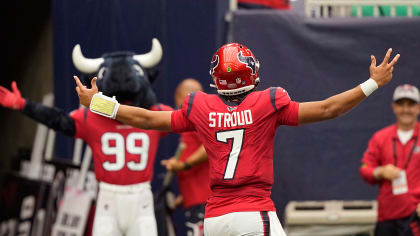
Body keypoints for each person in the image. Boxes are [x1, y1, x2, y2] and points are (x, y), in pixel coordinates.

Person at [74, 43, 399, 236]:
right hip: (254, 212)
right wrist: (372, 84)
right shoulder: (269, 103)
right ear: (252, 72)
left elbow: (145, 118)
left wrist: (98, 102)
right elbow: (329, 109)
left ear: (217, 78)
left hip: (214, 218)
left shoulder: (199, 105)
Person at [0, 40, 171, 236]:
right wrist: (24, 105)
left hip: (137, 196)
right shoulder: (147, 115)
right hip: (110, 197)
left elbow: (59, 120)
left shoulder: (137, 115)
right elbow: (59, 120)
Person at [360, 84, 420, 236]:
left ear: (418, 108)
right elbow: (365, 167)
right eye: (401, 104)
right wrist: (380, 171)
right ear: (394, 107)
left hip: (416, 215)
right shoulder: (380, 137)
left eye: (411, 104)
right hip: (387, 216)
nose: (406, 109)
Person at [161, 78, 211, 236]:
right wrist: (181, 200)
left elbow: (209, 146)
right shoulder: (191, 121)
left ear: (179, 97)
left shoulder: (198, 119)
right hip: (198, 200)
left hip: (204, 202)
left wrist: (183, 165)